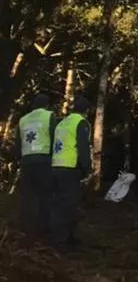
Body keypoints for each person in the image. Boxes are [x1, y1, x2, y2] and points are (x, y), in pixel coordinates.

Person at [50, 95, 92, 249]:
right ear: (86, 111)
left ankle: (59, 235)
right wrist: (86, 167)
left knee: (57, 203)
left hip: (56, 165)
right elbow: (83, 147)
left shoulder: (62, 122)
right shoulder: (80, 123)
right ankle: (63, 240)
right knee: (69, 203)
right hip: (70, 167)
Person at [16, 93, 57, 239]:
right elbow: (55, 138)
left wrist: (18, 160)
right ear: (47, 105)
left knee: (27, 196)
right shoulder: (49, 116)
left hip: (26, 161)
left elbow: (18, 143)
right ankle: (43, 228)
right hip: (43, 160)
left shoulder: (23, 120)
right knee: (45, 195)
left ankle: (24, 227)